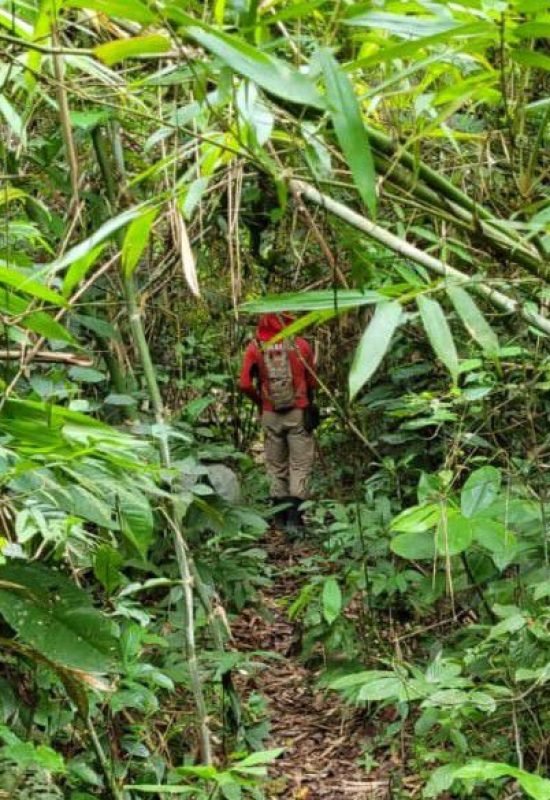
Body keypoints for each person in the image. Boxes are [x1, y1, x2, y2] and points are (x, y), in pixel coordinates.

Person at [239, 313, 317, 530]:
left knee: (276, 465)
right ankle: (295, 518)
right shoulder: (300, 345)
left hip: (270, 414)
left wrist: (260, 401)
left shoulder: (255, 347)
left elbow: (244, 383)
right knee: (299, 465)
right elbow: (312, 381)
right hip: (297, 413)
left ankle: (279, 518)